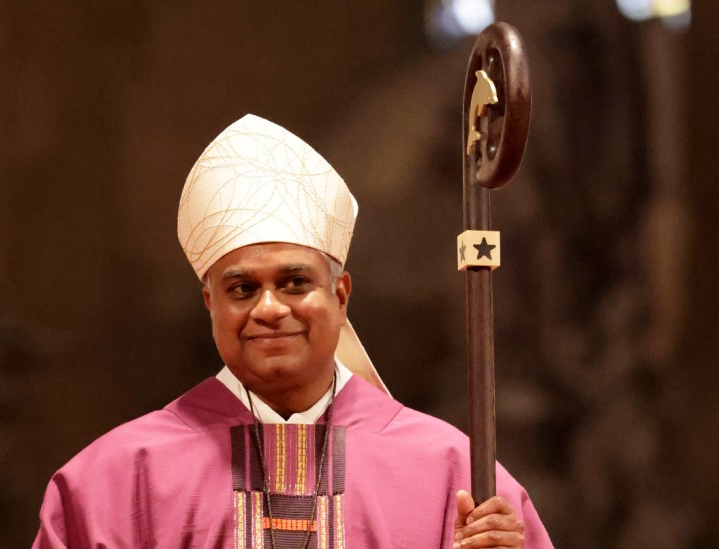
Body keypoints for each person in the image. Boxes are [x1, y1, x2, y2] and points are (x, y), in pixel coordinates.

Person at [32, 114, 552, 548]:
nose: (270, 308)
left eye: (295, 282)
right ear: (210, 303)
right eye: (241, 289)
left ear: (341, 295)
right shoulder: (119, 481)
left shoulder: (450, 473)